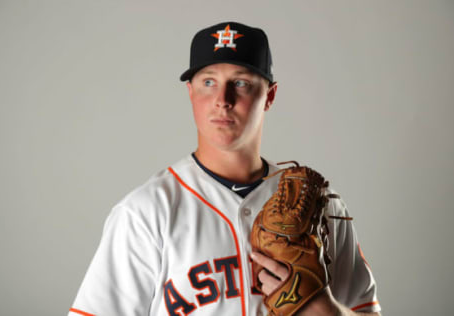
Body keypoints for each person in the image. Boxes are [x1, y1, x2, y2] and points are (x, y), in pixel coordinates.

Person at [68, 21, 381, 316]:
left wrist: (321, 309)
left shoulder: (319, 205)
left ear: (269, 96)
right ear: (190, 93)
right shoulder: (145, 213)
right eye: (208, 82)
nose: (223, 100)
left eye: (241, 83)